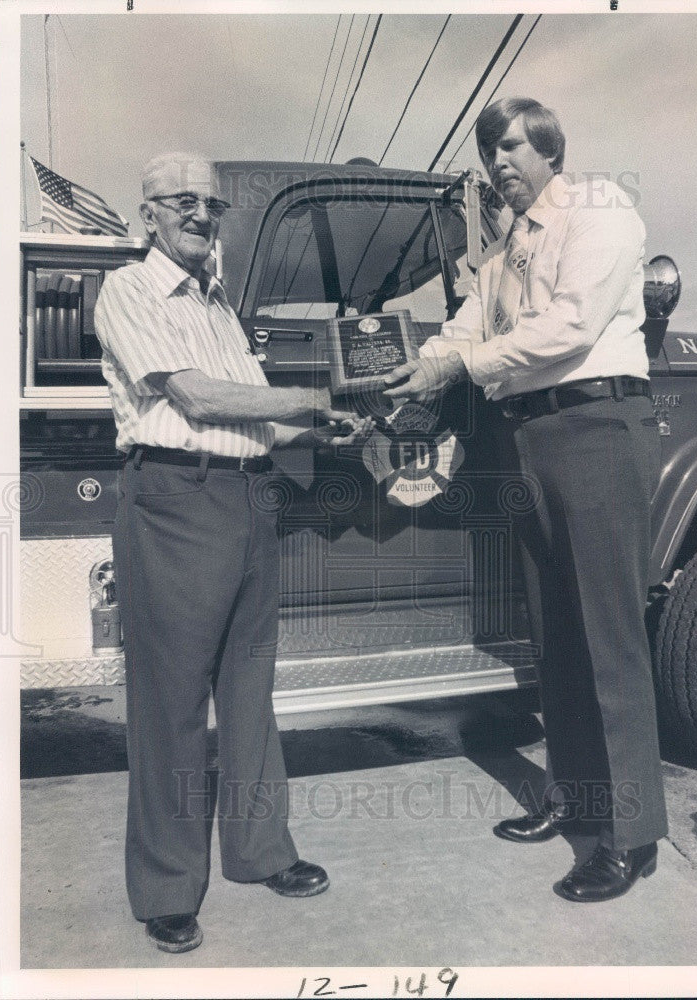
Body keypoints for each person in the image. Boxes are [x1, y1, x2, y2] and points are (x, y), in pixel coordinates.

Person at [383, 98, 667, 903]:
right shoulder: (507, 245)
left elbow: (569, 328)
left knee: (608, 637)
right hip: (533, 437)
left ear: (548, 149)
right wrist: (420, 362)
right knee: (555, 636)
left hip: (597, 425)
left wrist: (456, 369)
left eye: (509, 146)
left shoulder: (598, 209)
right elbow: (468, 324)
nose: (496, 162)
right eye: (487, 150)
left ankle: (629, 834)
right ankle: (573, 799)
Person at [94, 152, 370, 952]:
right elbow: (196, 397)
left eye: (211, 205)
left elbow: (259, 423)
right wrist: (319, 393)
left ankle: (260, 853)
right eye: (181, 202)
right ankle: (168, 889)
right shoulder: (130, 289)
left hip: (249, 497)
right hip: (177, 500)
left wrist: (329, 425)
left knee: (250, 690)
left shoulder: (219, 306)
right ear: (147, 214)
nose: (199, 216)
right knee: (171, 703)